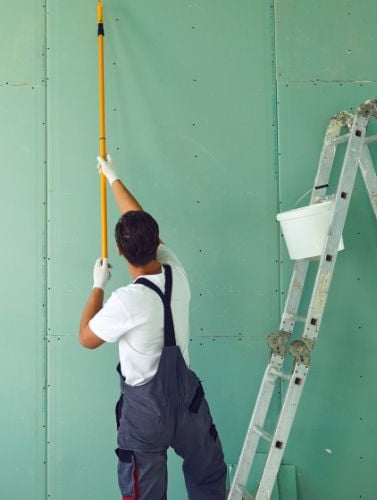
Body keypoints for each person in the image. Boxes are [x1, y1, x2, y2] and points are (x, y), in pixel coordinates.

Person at [78, 155, 227, 500]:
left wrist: (97, 285)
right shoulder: (176, 270)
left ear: (119, 250)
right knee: (209, 477)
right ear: (157, 241)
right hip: (188, 407)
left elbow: (86, 338)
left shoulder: (126, 302)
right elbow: (142, 224)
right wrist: (114, 177)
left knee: (144, 493)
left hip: (147, 416)